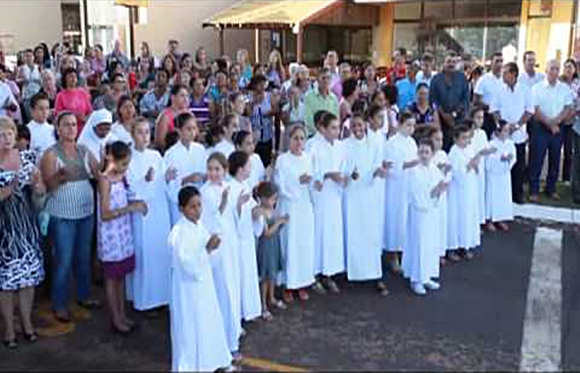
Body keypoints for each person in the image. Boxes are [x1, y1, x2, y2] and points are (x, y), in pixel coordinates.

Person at [40, 112, 101, 323]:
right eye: (66, 125)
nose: (71, 128)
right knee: (63, 261)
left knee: (83, 258)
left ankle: (83, 296)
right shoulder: (50, 154)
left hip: (86, 213)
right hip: (62, 215)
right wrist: (60, 176)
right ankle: (59, 304)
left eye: (74, 125)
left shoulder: (84, 150)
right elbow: (47, 186)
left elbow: (100, 173)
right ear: (57, 128)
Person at [168, 186, 232, 372]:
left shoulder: (199, 225)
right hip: (188, 290)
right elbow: (186, 264)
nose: (197, 211)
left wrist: (213, 244)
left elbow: (206, 249)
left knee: (208, 320)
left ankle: (213, 360)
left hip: (204, 285)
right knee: (191, 326)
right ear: (181, 208)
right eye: (192, 207)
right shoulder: (178, 233)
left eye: (199, 206)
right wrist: (208, 250)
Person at [0, 117, 45, 349]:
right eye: (1, 134)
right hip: (4, 232)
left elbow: (39, 196)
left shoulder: (27, 158)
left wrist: (38, 187)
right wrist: (9, 189)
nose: (5, 138)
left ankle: (27, 324)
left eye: (9, 133)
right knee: (6, 284)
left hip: (26, 227)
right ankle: (9, 329)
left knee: (28, 280)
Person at [97, 141, 146, 334]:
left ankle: (122, 314)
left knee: (121, 276)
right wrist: (129, 208)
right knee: (112, 278)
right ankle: (115, 318)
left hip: (123, 233)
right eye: (123, 163)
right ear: (112, 159)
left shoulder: (121, 177)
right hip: (111, 236)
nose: (126, 168)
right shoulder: (105, 180)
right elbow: (105, 213)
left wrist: (137, 202)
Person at [199, 153, 242, 361]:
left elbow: (233, 216)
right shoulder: (205, 192)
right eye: (210, 169)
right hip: (217, 248)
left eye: (217, 169)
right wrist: (224, 202)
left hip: (230, 245)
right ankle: (224, 342)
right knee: (221, 291)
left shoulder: (229, 187)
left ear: (224, 170)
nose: (213, 173)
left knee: (231, 289)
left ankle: (232, 333)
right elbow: (212, 217)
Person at [126, 118, 172, 312]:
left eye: (147, 132)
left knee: (159, 251)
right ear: (132, 134)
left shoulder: (156, 155)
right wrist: (143, 180)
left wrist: (166, 178)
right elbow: (128, 187)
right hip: (142, 212)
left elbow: (161, 181)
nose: (145, 136)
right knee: (144, 253)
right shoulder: (128, 158)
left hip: (159, 210)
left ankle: (162, 296)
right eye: (140, 132)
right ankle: (145, 299)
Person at [342, 114, 384, 288]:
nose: (357, 129)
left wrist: (377, 172)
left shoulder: (374, 145)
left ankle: (373, 272)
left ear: (365, 125)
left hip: (369, 194)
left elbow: (376, 165)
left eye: (360, 125)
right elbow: (342, 168)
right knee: (353, 231)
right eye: (354, 126)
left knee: (370, 232)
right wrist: (350, 174)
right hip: (352, 195)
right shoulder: (344, 146)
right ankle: (351, 271)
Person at [274, 125, 315, 302]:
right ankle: (287, 284)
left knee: (303, 244)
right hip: (289, 206)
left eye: (301, 138)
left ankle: (302, 283)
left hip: (305, 206)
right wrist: (296, 183)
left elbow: (314, 181)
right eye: (295, 138)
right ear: (289, 140)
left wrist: (310, 182)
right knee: (289, 243)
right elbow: (279, 184)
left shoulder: (308, 158)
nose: (299, 142)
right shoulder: (282, 160)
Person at [403, 138, 447, 296]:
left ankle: (426, 276)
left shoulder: (435, 169)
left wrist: (439, 190)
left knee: (430, 244)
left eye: (427, 152)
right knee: (419, 244)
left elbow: (439, 187)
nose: (423, 155)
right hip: (419, 212)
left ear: (432, 153)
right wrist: (434, 192)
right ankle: (416, 279)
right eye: (421, 152)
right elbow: (416, 193)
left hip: (432, 213)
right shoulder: (414, 171)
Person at [309, 112, 346, 294]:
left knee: (332, 234)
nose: (336, 131)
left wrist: (344, 178)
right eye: (332, 128)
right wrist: (326, 175)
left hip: (334, 197)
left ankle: (329, 273)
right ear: (322, 128)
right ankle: (314, 274)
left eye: (338, 127)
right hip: (320, 197)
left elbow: (343, 168)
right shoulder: (313, 146)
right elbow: (310, 172)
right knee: (318, 234)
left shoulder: (339, 147)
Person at [490, 62, 534, 204]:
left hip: (518, 134)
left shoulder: (525, 90)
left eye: (505, 73)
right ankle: (503, 195)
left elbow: (529, 111)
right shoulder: (499, 89)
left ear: (514, 74)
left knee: (519, 166)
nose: (502, 75)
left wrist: (517, 125)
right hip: (503, 135)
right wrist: (503, 125)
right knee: (503, 164)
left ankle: (517, 194)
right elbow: (494, 110)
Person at [529, 59, 573, 202]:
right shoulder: (537, 88)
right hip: (540, 127)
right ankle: (534, 190)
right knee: (537, 159)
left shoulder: (565, 89)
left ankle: (551, 189)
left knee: (555, 160)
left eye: (557, 68)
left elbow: (567, 108)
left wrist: (557, 122)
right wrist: (549, 123)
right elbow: (535, 109)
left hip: (557, 128)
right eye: (552, 68)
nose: (555, 71)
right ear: (546, 70)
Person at [228, 151, 262, 323]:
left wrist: (258, 211)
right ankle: (240, 313)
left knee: (248, 273)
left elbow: (253, 209)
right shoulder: (231, 188)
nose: (251, 168)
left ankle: (249, 310)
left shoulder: (245, 184)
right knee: (239, 276)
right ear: (240, 169)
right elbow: (232, 216)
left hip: (247, 238)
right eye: (249, 165)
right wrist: (241, 207)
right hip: (238, 241)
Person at [383, 112, 419, 272]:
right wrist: (408, 165)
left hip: (409, 185)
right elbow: (391, 167)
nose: (411, 129)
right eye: (408, 125)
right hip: (396, 188)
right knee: (395, 220)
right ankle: (392, 255)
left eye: (413, 125)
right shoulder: (391, 143)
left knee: (406, 220)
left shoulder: (412, 142)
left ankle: (405, 253)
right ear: (399, 124)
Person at [254, 181, 288, 320]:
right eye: (272, 199)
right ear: (262, 198)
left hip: (274, 245)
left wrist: (282, 222)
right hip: (266, 247)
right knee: (266, 276)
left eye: (275, 199)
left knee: (272, 273)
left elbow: (275, 229)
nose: (274, 202)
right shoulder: (260, 212)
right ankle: (263, 305)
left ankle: (272, 297)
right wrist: (279, 222)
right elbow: (266, 233)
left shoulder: (272, 210)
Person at [164, 113, 206, 226]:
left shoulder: (200, 149)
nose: (192, 132)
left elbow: (206, 174)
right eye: (188, 129)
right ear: (179, 130)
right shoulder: (171, 154)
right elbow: (169, 184)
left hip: (198, 200)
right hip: (181, 202)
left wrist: (203, 177)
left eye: (194, 128)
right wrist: (187, 179)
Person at [447, 124, 481, 261]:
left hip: (468, 190)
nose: (466, 141)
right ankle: (452, 248)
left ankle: (464, 245)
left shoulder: (469, 149)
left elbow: (474, 166)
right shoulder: (454, 152)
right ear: (455, 139)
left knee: (467, 218)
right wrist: (470, 165)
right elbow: (456, 173)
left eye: (468, 137)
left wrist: (475, 166)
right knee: (456, 219)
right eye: (463, 138)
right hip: (457, 192)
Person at [429, 51, 470, 151]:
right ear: (444, 62)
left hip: (458, 121)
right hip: (441, 121)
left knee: (458, 148)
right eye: (448, 61)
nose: (451, 64)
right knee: (442, 148)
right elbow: (433, 100)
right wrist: (444, 114)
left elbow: (466, 99)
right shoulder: (436, 79)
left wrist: (454, 114)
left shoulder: (462, 78)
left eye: (453, 62)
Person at [485, 120, 516, 231]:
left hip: (504, 175)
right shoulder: (491, 144)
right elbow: (488, 160)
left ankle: (501, 218)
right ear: (498, 132)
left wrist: (508, 160)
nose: (507, 133)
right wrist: (499, 159)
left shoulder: (510, 143)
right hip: (493, 176)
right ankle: (489, 220)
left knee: (503, 197)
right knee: (492, 197)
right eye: (505, 131)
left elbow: (513, 157)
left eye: (508, 131)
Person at [469, 108, 496, 228]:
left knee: (480, 193)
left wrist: (489, 151)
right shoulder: (469, 134)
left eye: (482, 118)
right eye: (478, 117)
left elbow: (485, 149)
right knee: (473, 195)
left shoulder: (483, 133)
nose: (480, 120)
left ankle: (480, 221)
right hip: (472, 167)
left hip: (481, 168)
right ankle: (472, 222)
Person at [428, 127, 453, 263]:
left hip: (442, 194)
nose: (440, 142)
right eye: (437, 139)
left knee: (441, 223)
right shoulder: (428, 155)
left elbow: (449, 172)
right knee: (432, 224)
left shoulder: (443, 154)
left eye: (441, 139)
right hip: (432, 194)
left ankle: (440, 251)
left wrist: (447, 172)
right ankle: (431, 252)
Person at [474, 52, 504, 138]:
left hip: (502, 117)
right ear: (491, 63)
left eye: (501, 61)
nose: (499, 64)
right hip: (487, 118)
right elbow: (475, 101)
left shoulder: (505, 80)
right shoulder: (483, 80)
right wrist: (491, 107)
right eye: (497, 61)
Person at [249, 75, 277, 166]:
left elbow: (276, 110)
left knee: (266, 162)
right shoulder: (249, 97)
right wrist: (253, 103)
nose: (262, 87)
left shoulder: (269, 96)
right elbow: (246, 114)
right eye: (259, 84)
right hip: (254, 135)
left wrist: (269, 113)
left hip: (267, 134)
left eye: (263, 84)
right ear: (254, 85)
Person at [304, 68, 340, 138]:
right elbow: (308, 120)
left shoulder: (334, 98)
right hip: (313, 136)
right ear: (317, 79)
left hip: (330, 136)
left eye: (328, 78)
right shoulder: (309, 96)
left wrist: (330, 132)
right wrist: (322, 133)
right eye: (323, 78)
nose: (326, 81)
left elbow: (336, 118)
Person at [55, 68, 93, 134]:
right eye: (70, 76)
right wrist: (74, 115)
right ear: (65, 79)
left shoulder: (83, 93)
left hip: (83, 130)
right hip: (68, 130)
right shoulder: (60, 96)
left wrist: (85, 119)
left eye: (75, 76)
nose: (73, 78)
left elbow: (90, 111)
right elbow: (58, 114)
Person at [155, 84, 190, 151]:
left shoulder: (189, 114)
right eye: (182, 96)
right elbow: (160, 142)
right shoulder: (165, 116)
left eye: (187, 96)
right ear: (173, 97)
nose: (186, 99)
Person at [560, 58, 578, 184]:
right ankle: (553, 177)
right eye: (566, 67)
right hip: (559, 120)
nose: (568, 69)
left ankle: (566, 178)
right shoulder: (559, 83)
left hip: (573, 122)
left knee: (568, 151)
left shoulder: (578, 84)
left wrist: (573, 113)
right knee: (555, 150)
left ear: (575, 69)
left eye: (570, 67)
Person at [27, 92, 56, 158]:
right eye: (41, 108)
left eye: (47, 108)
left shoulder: (52, 129)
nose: (44, 112)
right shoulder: (28, 130)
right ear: (32, 111)